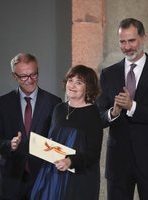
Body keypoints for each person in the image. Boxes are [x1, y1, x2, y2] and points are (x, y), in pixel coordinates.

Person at [97, 18, 148, 200]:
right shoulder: (108, 74)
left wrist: (132, 106)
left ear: (144, 38)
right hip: (118, 162)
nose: (127, 47)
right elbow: (98, 117)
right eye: (122, 41)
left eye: (132, 40)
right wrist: (112, 113)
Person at [0, 53, 62, 200]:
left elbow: (59, 140)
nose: (30, 80)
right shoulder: (2, 103)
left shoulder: (54, 102)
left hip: (43, 179)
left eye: (34, 74)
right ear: (14, 76)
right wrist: (10, 144)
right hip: (11, 180)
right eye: (24, 76)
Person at [30, 65, 103, 200]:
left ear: (88, 88)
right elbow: (52, 139)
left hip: (79, 178)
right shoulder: (59, 109)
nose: (72, 85)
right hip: (54, 174)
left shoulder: (92, 114)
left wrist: (71, 161)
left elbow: (93, 153)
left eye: (79, 82)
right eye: (70, 80)